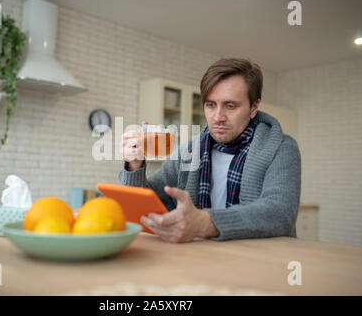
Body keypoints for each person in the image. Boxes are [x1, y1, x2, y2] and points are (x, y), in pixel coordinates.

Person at [119, 58, 301, 243]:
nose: (218, 117)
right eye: (210, 105)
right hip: (202, 260)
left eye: (230, 106)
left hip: (261, 262)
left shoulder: (281, 147)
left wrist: (204, 223)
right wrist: (134, 165)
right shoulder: (189, 152)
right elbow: (147, 206)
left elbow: (280, 213)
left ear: (253, 107)